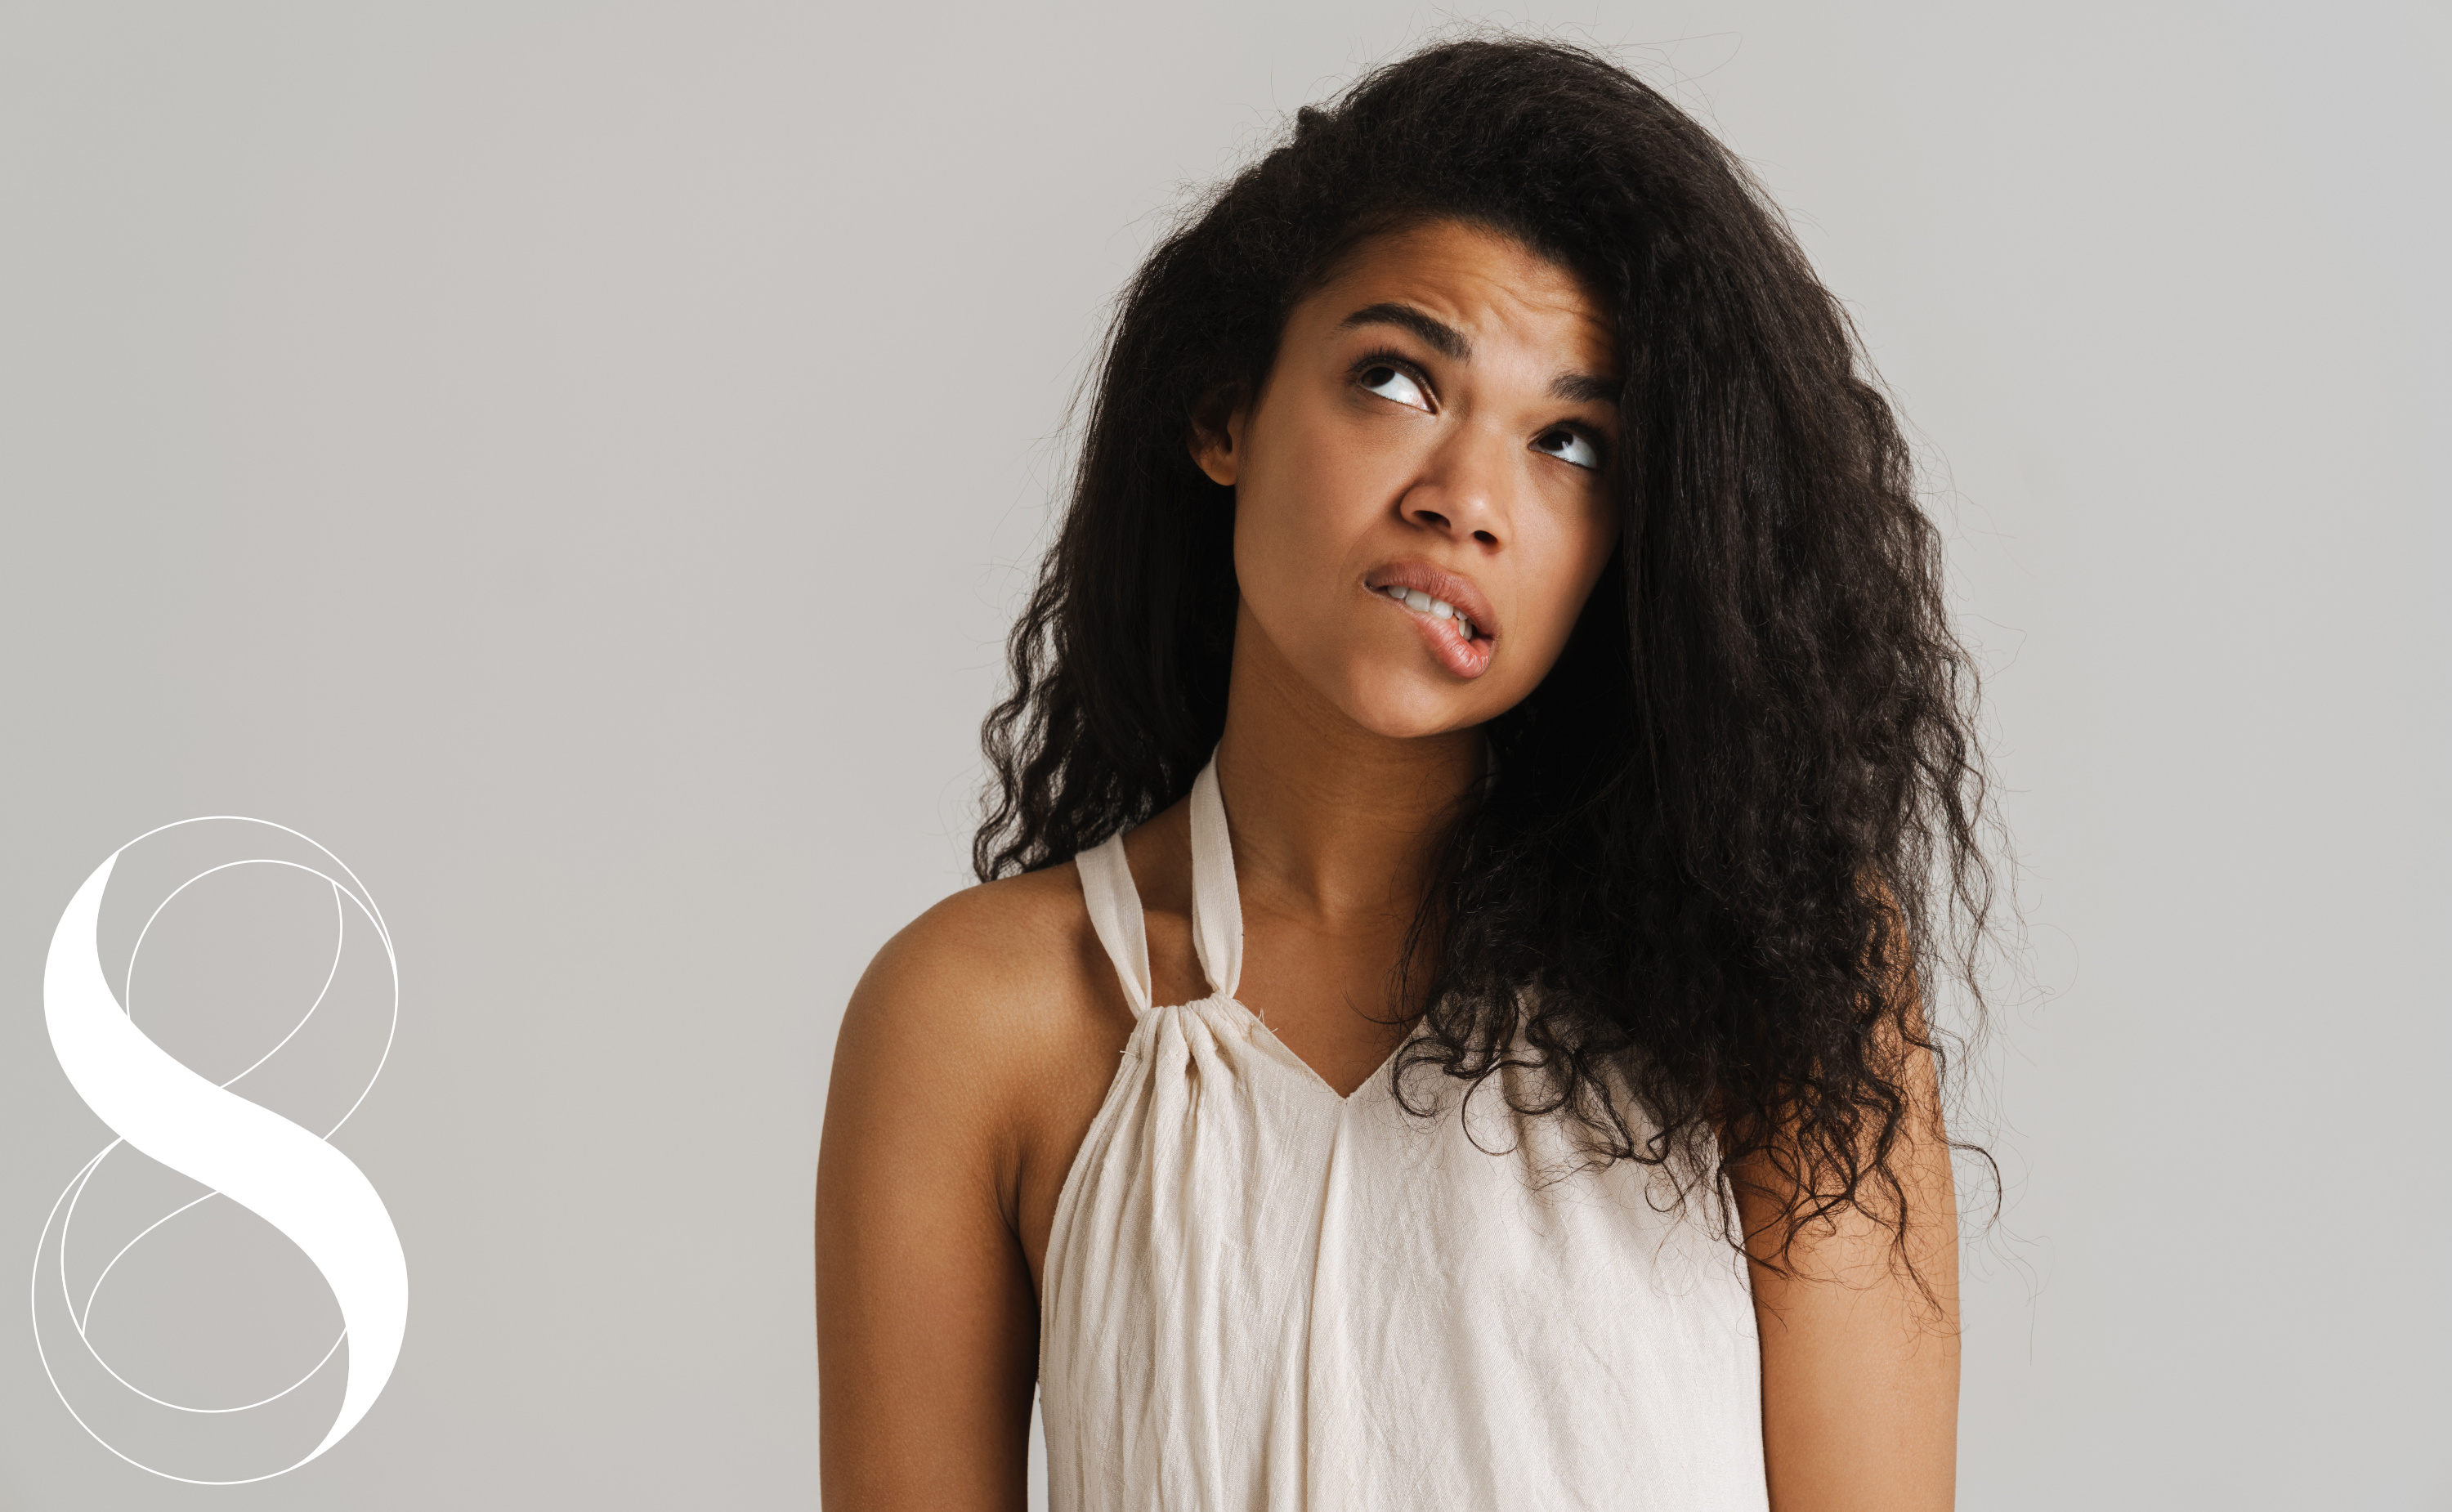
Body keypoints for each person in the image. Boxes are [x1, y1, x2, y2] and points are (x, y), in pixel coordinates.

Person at [817, 34, 1991, 1512]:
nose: (1469, 501)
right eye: (1397, 378)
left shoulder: (1777, 980)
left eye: (1570, 443)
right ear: (1224, 412)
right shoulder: (976, 1024)